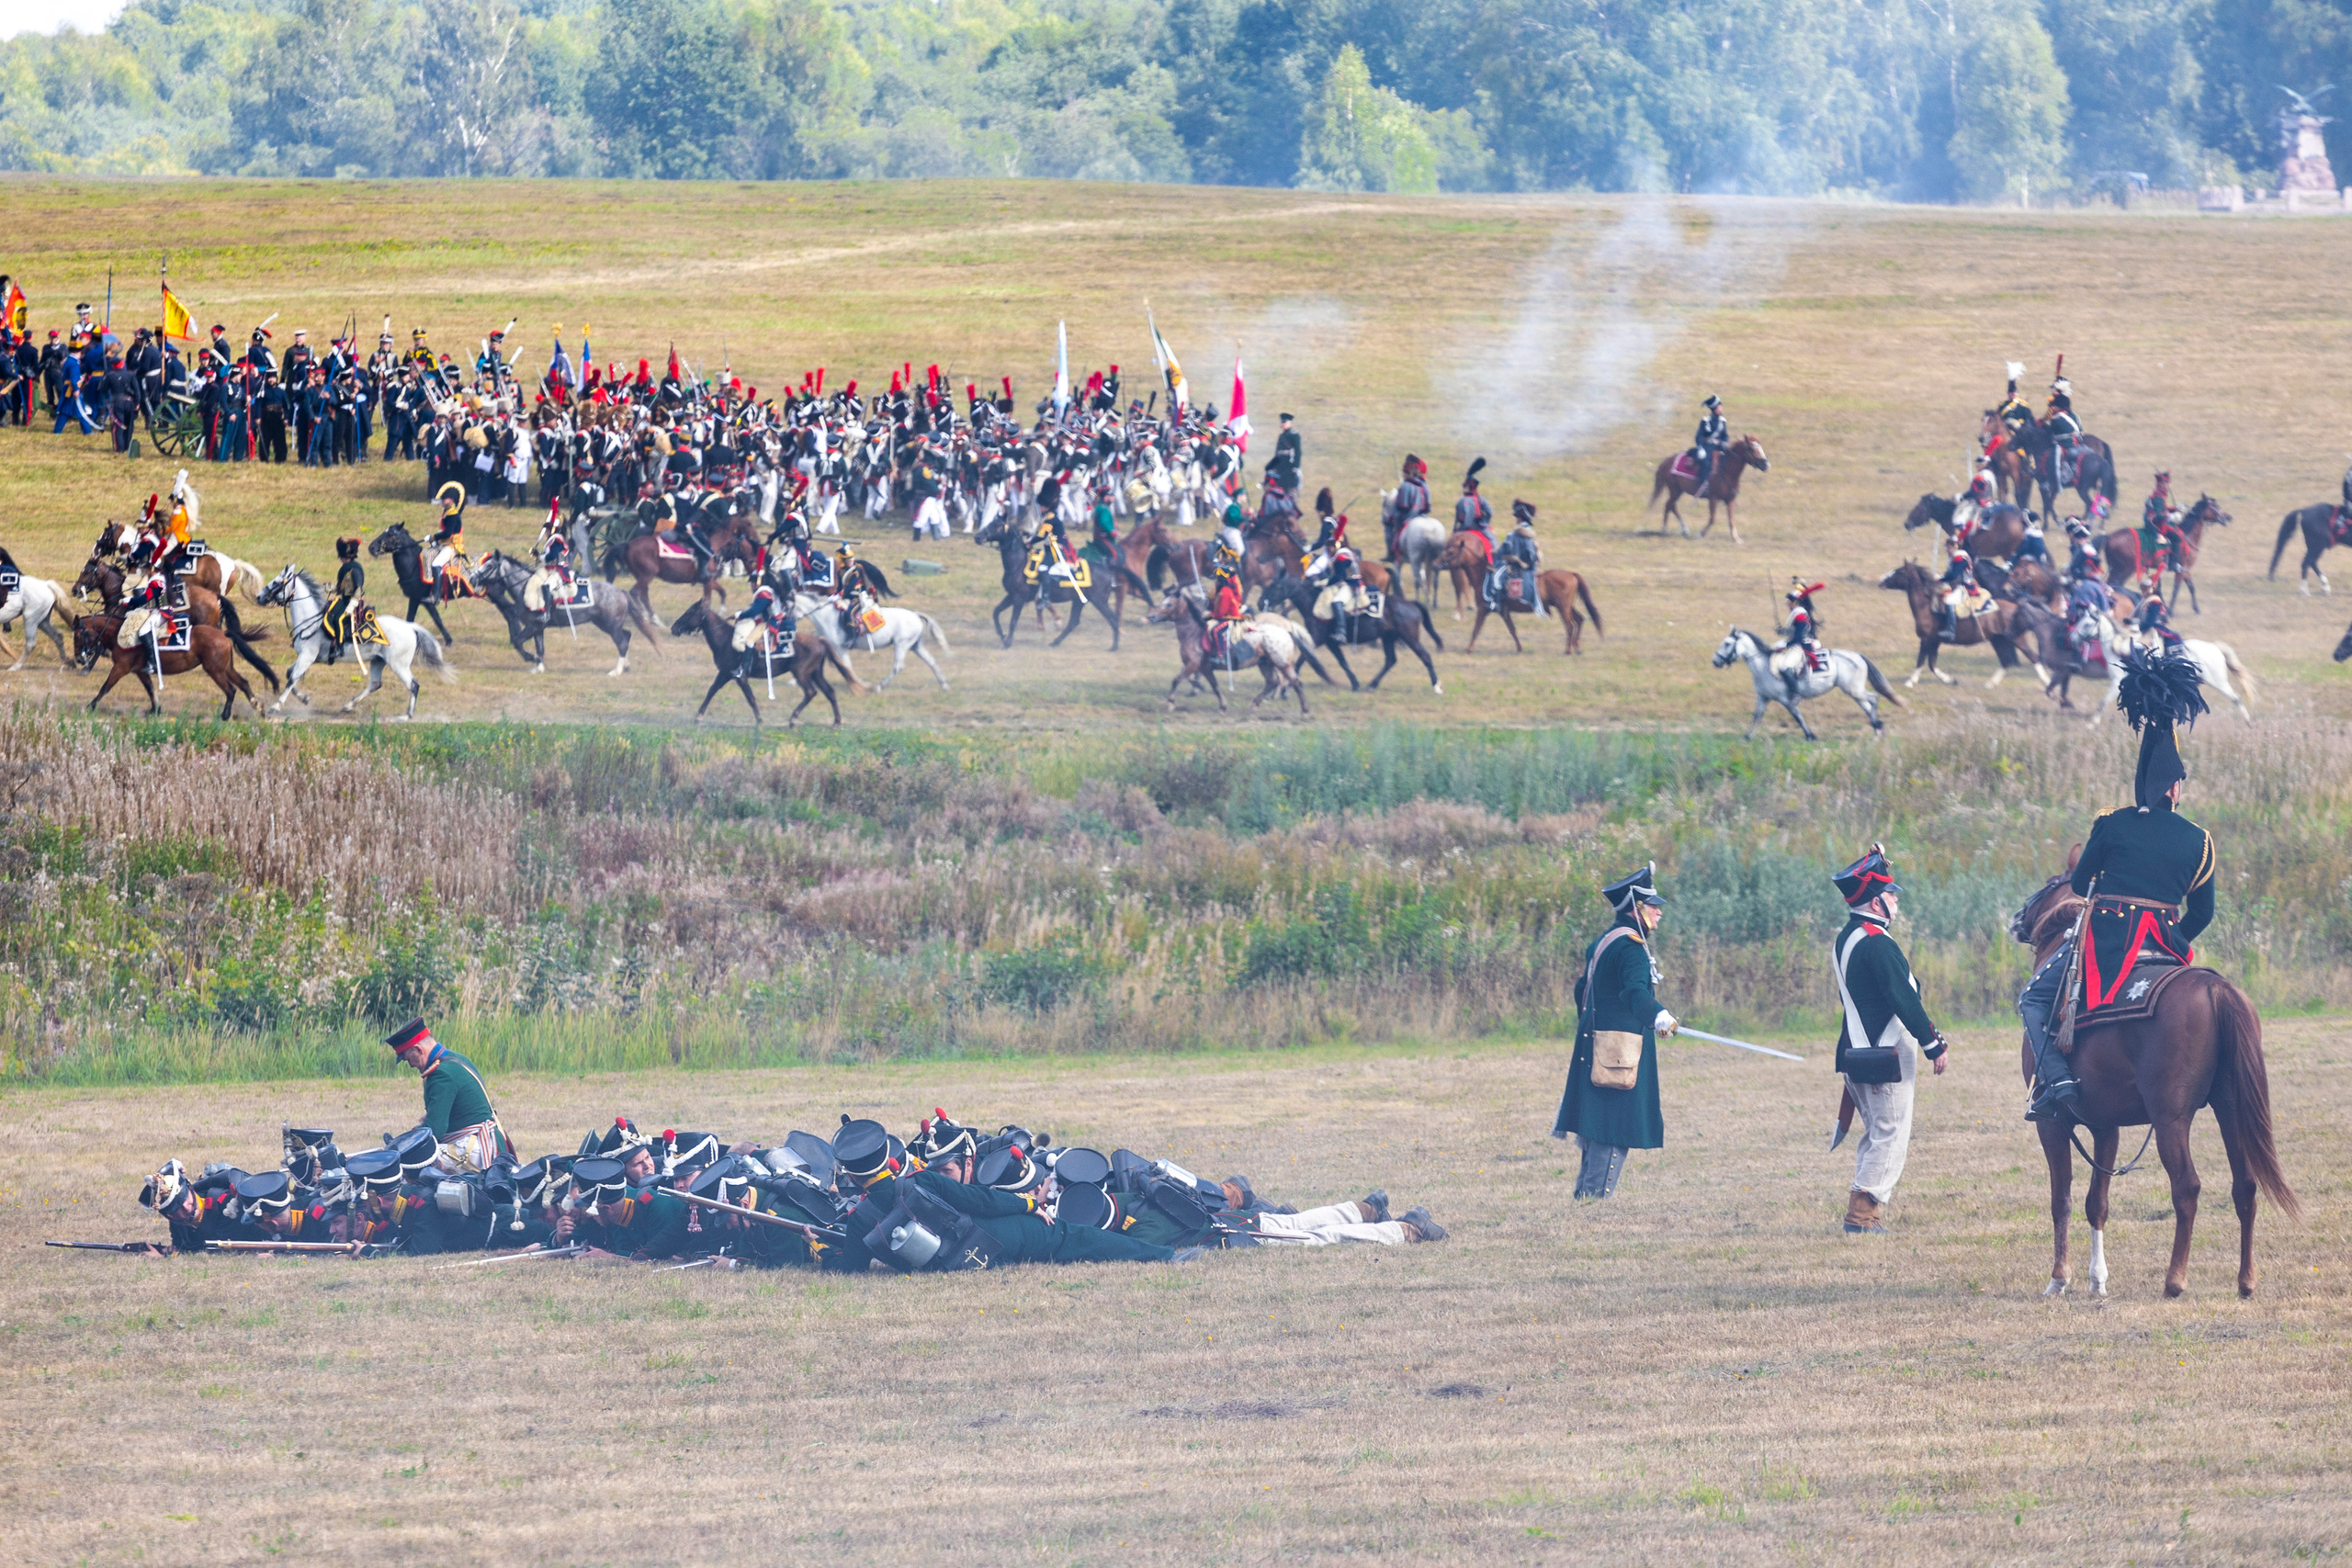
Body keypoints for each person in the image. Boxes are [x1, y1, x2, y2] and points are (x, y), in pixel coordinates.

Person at [2017, 648, 2215, 1122]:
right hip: (2167, 944)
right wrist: (2170, 939)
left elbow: (2081, 884)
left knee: (2034, 998)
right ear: (2175, 788)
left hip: (2106, 939)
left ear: (2142, 782)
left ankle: (2057, 1081)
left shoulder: (2112, 823)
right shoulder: (2199, 839)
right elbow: (2204, 914)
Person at [1827, 845, 1951, 1235]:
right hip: (1885, 1054)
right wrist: (1934, 1044)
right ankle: (1861, 1216)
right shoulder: (1877, 942)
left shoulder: (1848, 937)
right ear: (1875, 901)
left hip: (1857, 1052)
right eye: (1890, 893)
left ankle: (1867, 1211)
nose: (1896, 898)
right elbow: (1905, 999)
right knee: (1890, 1133)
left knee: (1878, 1131)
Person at [1552, 863, 1679, 1199]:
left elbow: (1583, 991)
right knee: (1614, 1126)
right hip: (1620, 1052)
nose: (1659, 913)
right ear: (1636, 908)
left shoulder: (1604, 942)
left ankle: (1585, 1198)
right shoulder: (1631, 947)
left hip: (1595, 1043)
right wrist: (1658, 1014)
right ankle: (1594, 1201)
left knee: (1598, 1126)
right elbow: (1634, 993)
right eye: (1654, 907)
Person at [384, 1016, 512, 1171]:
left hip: (475, 1146)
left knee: (411, 1165)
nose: (411, 1065)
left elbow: (435, 1130)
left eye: (408, 1059)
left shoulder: (441, 1074)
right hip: (484, 1139)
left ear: (418, 1050)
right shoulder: (456, 1059)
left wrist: (402, 1144)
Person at [1772, 579, 1826, 702]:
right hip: (1797, 642)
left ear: (1795, 602)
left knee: (1784, 667)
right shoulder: (1796, 614)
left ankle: (1795, 693)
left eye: (1789, 601)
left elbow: (1798, 636)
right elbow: (1793, 631)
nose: (1787, 603)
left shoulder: (1800, 615)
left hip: (1801, 645)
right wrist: (1783, 631)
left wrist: (1786, 644)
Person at [321, 536, 368, 662]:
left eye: (342, 557)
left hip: (353, 602)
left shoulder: (355, 569)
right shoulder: (345, 568)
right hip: (344, 600)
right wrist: (328, 588)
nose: (340, 559)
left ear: (347, 557)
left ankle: (340, 648)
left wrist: (352, 604)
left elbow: (358, 588)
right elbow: (343, 588)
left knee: (339, 619)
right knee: (329, 615)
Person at [1490, 500, 1541, 612]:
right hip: (1530, 567)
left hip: (1517, 566)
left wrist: (1497, 552)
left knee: (1496, 578)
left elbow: (1506, 550)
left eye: (1517, 517)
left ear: (1520, 518)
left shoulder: (1515, 534)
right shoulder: (1529, 532)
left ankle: (1497, 604)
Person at [1937, 548, 1984, 641]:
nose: (1947, 550)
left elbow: (1954, 575)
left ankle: (1951, 631)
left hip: (1962, 587)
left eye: (1949, 547)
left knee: (1948, 601)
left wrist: (1941, 580)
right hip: (1957, 586)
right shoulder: (1958, 558)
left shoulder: (1959, 558)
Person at [1689, 394, 1729, 489]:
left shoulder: (1722, 421)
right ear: (1714, 409)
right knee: (1706, 462)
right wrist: (1701, 448)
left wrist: (1724, 442)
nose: (1720, 409)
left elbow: (1725, 435)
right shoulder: (1705, 421)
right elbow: (1699, 436)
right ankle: (1703, 485)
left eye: (1720, 407)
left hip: (1719, 447)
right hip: (1707, 447)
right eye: (1719, 407)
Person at [1453, 457, 1492, 547]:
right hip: (1478, 528)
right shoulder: (1481, 500)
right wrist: (1485, 523)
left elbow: (1457, 519)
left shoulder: (1460, 501)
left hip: (1461, 529)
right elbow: (1489, 512)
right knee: (1493, 541)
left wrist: (1454, 531)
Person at [1267, 412, 1302, 493]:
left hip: (1290, 466)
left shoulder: (1294, 435)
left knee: (1291, 490)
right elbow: (1277, 453)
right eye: (1282, 422)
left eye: (1285, 422)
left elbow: (1297, 451)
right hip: (1280, 467)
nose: (1283, 424)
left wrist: (1295, 466)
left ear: (1290, 423)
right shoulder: (1281, 436)